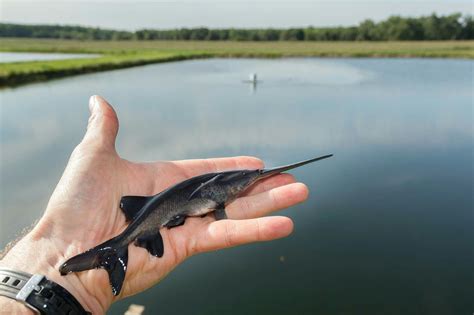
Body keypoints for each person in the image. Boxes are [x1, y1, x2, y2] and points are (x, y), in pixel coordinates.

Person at [0, 95, 309, 314]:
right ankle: (109, 254)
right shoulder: (217, 191)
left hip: (165, 214)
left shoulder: (222, 190)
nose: (253, 180)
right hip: (150, 215)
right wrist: (51, 263)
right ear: (229, 185)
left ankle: (103, 257)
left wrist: (46, 274)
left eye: (252, 178)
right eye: (248, 179)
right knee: (125, 241)